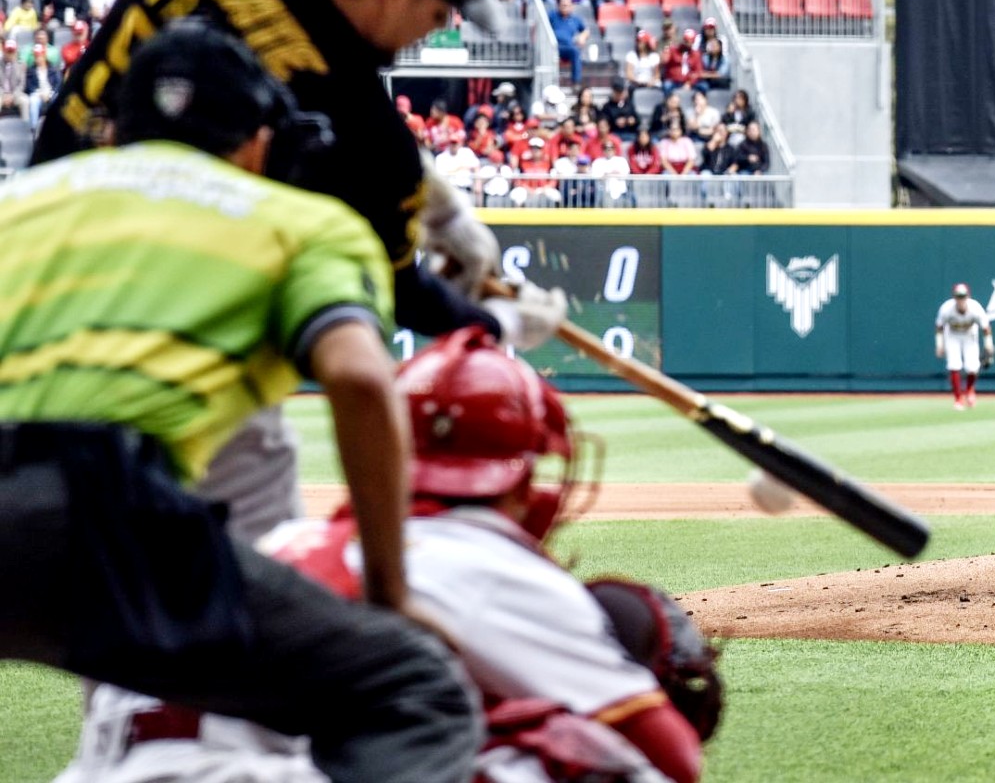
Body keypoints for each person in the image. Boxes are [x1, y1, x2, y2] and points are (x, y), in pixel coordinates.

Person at [35, 0, 568, 545]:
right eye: (439, 11)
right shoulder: (372, 146)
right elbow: (392, 289)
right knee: (261, 592)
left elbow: (282, 42)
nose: (432, 30)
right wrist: (489, 320)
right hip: (180, 350)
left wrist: (420, 186)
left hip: (37, 265)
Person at [0, 20, 479, 782]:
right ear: (259, 141)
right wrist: (389, 589)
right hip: (100, 509)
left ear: (114, 132)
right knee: (410, 689)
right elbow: (358, 377)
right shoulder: (304, 221)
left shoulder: (20, 201)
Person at [61, 328, 719, 783]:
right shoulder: (490, 565)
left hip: (106, 765)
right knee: (592, 759)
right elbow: (671, 757)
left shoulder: (288, 541)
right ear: (520, 476)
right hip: (229, 771)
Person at [934, 283, 994, 410]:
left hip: (969, 334)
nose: (961, 299)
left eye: (963, 296)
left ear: (968, 296)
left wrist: (989, 345)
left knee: (972, 367)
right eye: (958, 296)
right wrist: (939, 345)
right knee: (954, 364)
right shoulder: (946, 308)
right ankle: (958, 399)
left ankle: (969, 390)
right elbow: (939, 327)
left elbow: (986, 328)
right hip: (952, 335)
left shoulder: (975, 308)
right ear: (954, 297)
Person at [550, 0, 590, 85]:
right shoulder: (552, 16)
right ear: (558, 5)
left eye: (567, 5)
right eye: (563, 5)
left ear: (571, 6)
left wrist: (583, 36)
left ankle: (576, 83)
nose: (565, 7)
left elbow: (586, 30)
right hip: (553, 47)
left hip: (568, 48)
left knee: (575, 51)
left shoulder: (575, 19)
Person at [22, 41, 59, 129]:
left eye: (39, 55)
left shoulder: (53, 69)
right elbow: (29, 86)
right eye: (36, 56)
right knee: (33, 101)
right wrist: (39, 93)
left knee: (57, 99)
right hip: (37, 93)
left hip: (51, 92)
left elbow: (58, 84)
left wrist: (50, 93)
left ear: (44, 55)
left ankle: (57, 127)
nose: (38, 58)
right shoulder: (31, 70)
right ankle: (34, 128)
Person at [588, 136, 631, 207]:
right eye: (606, 148)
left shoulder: (621, 160)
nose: (608, 150)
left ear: (614, 150)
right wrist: (610, 174)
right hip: (603, 191)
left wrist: (607, 174)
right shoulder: (597, 162)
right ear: (603, 150)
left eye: (611, 148)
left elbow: (626, 173)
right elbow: (594, 175)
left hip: (620, 191)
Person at [662, 27, 702, 95]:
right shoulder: (673, 50)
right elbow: (664, 61)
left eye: (690, 41)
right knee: (667, 86)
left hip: (688, 80)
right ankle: (668, 103)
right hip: (673, 80)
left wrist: (689, 83)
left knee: (703, 86)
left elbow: (697, 71)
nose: (687, 43)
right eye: (686, 41)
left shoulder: (696, 54)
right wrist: (666, 52)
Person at [0, 40, 24, 117]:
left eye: (12, 52)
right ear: (4, 51)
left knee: (25, 101)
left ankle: (26, 127)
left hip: (15, 94)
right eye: (8, 51)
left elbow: (21, 85)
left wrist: (12, 96)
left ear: (16, 52)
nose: (10, 54)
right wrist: (4, 95)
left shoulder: (20, 65)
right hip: (1, 94)